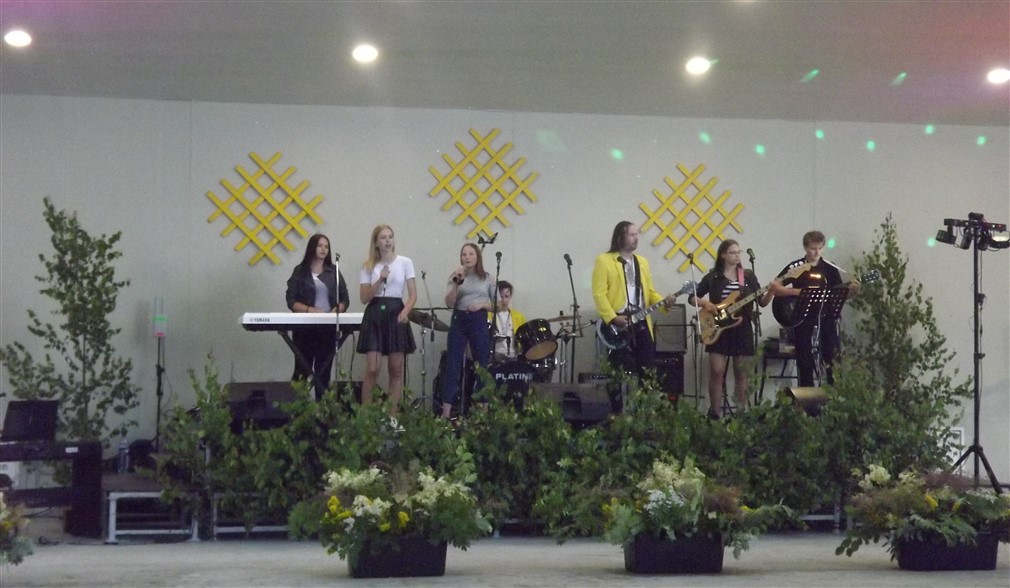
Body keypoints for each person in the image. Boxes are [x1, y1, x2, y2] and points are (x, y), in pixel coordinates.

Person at [689, 239, 773, 419]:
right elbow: (692, 297)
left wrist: (772, 291)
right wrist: (706, 304)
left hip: (742, 327)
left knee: (741, 373)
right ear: (723, 255)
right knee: (717, 372)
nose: (737, 255)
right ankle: (714, 414)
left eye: (738, 252)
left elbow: (762, 302)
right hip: (717, 327)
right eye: (733, 252)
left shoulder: (748, 276)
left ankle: (741, 415)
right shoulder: (713, 277)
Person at [772, 230, 858, 387]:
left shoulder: (830, 268)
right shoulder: (796, 267)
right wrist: (797, 292)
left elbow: (837, 294)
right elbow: (776, 287)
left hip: (826, 317)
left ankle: (833, 391)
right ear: (805, 248)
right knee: (804, 356)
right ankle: (807, 393)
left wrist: (850, 292)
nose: (817, 252)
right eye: (813, 248)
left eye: (820, 248)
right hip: (802, 317)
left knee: (832, 354)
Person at [592, 221, 676, 377]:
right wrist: (613, 318)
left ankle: (645, 393)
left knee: (648, 369)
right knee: (617, 371)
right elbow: (599, 294)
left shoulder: (642, 262)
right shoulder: (604, 260)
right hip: (619, 322)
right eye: (631, 235)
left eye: (637, 235)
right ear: (620, 237)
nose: (636, 238)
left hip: (640, 320)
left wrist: (665, 303)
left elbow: (649, 292)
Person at [357, 225, 417, 415]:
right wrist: (379, 279)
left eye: (390, 236)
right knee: (373, 368)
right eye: (383, 237)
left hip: (395, 311)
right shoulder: (368, 266)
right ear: (376, 242)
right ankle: (366, 416)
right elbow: (364, 298)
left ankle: (393, 416)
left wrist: (405, 312)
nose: (388, 241)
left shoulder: (405, 262)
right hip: (375, 313)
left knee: (396, 369)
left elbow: (413, 295)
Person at [285, 233, 349, 400]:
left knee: (323, 372)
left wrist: (336, 311)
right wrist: (309, 310)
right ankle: (299, 409)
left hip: (327, 329)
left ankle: (323, 410)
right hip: (304, 329)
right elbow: (291, 301)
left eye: (326, 246)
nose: (323, 249)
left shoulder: (333, 271)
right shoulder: (300, 271)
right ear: (312, 247)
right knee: (301, 371)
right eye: (320, 245)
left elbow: (345, 299)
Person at [439, 243, 496, 419]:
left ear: (477, 257)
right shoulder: (455, 276)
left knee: (481, 364)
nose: (467, 257)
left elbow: (498, 305)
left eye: (471, 254)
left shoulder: (487, 278)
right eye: (464, 254)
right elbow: (449, 303)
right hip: (459, 319)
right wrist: (457, 282)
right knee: (453, 364)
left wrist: (481, 305)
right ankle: (446, 411)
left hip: (478, 319)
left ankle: (483, 409)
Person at [490, 280, 527, 361]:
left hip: (513, 356)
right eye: (501, 297)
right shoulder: (488, 315)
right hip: (493, 356)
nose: (504, 300)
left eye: (506, 296)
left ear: (510, 297)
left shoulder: (519, 317)